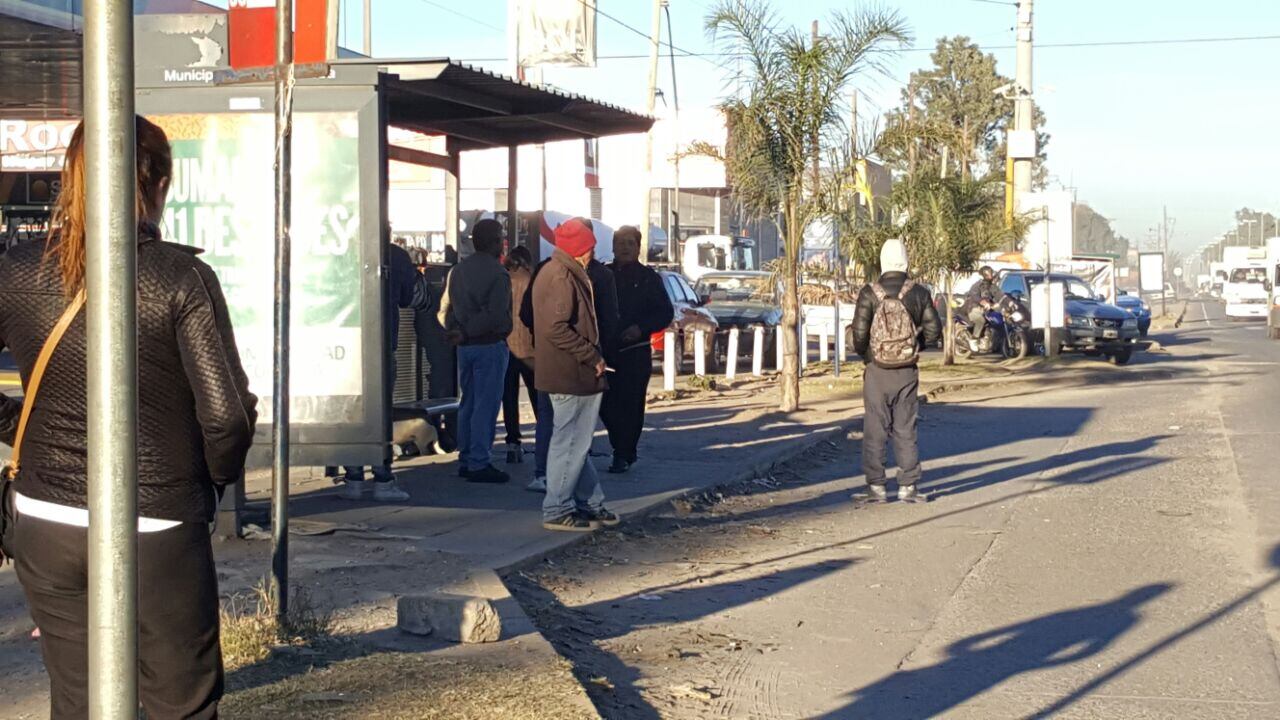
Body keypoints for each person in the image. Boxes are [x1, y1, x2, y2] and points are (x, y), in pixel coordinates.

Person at [0, 117, 257, 719]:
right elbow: (226, 418)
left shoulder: (16, 270)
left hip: (44, 517)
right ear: (162, 183)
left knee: (80, 699)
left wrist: (22, 430)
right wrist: (207, 487)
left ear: (70, 177)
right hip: (158, 518)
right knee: (180, 702)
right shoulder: (182, 277)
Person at [532, 218, 620, 531]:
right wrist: (591, 355)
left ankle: (590, 502)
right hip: (572, 372)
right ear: (577, 249)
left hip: (566, 371)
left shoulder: (555, 271)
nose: (592, 254)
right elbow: (555, 328)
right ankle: (557, 508)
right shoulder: (561, 276)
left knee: (576, 442)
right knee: (570, 442)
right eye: (589, 248)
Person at [339, 239, 432, 501]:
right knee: (381, 413)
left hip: (346, 343)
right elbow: (407, 298)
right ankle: (382, 476)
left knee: (351, 411)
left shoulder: (346, 250)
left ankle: (353, 475)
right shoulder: (396, 255)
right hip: (383, 343)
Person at [851, 238, 943, 504]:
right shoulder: (919, 293)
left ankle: (876, 487)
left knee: (875, 428)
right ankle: (908, 487)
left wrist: (869, 356)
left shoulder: (869, 293)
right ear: (905, 259)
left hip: (877, 372)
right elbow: (934, 330)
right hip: (906, 372)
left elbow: (859, 335)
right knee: (906, 427)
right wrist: (913, 348)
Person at [441, 219, 513, 484]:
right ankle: (479, 462)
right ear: (495, 241)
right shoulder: (497, 273)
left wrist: (457, 331)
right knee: (486, 404)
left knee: (468, 403)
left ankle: (467, 456)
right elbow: (495, 315)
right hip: (488, 344)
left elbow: (445, 307)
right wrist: (471, 331)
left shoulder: (458, 271)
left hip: (465, 346)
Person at [601, 226, 673, 473]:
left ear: (638, 248)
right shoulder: (603, 274)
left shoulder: (648, 278)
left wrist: (641, 329)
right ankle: (618, 445)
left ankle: (624, 453)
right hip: (606, 352)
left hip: (635, 352)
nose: (624, 247)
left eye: (630, 243)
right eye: (620, 242)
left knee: (631, 406)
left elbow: (665, 313)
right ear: (612, 246)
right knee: (606, 404)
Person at [502, 245, 536, 464]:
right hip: (530, 349)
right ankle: (545, 442)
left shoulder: (502, 281)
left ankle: (513, 443)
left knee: (509, 398)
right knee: (538, 398)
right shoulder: (532, 281)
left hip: (505, 346)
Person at [961, 265, 1004, 339]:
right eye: (991, 274)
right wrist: (984, 303)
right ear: (985, 275)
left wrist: (1009, 302)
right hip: (973, 308)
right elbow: (975, 297)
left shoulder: (992, 286)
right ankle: (974, 338)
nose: (994, 279)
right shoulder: (977, 285)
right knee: (981, 320)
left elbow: (1000, 295)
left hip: (987, 309)